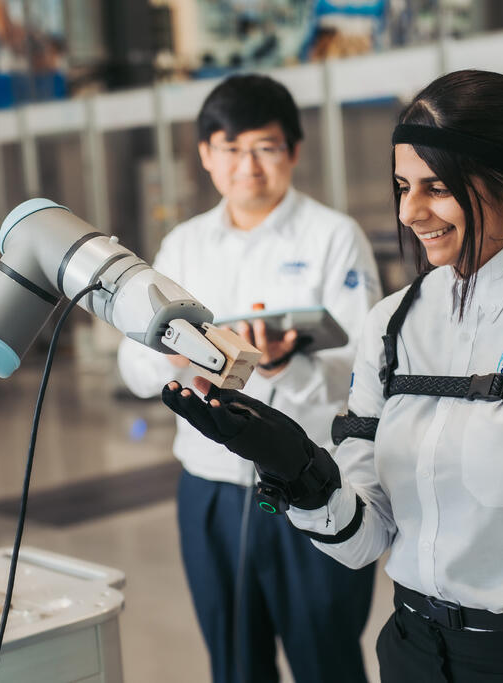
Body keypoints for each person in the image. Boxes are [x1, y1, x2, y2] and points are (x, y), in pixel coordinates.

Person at [162, 69, 503, 683]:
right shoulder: (392, 326)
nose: (409, 212)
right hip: (412, 653)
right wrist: (298, 469)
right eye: (403, 186)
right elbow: (362, 539)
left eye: (436, 187)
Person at [117, 74, 380, 683]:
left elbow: (368, 367)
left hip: (314, 480)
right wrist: (174, 358)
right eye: (230, 149)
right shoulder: (182, 246)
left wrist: (289, 364)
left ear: (292, 150)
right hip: (210, 489)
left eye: (264, 147)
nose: (248, 166)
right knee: (235, 664)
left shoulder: (333, 238)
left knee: (328, 660)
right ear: (206, 155)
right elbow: (133, 368)